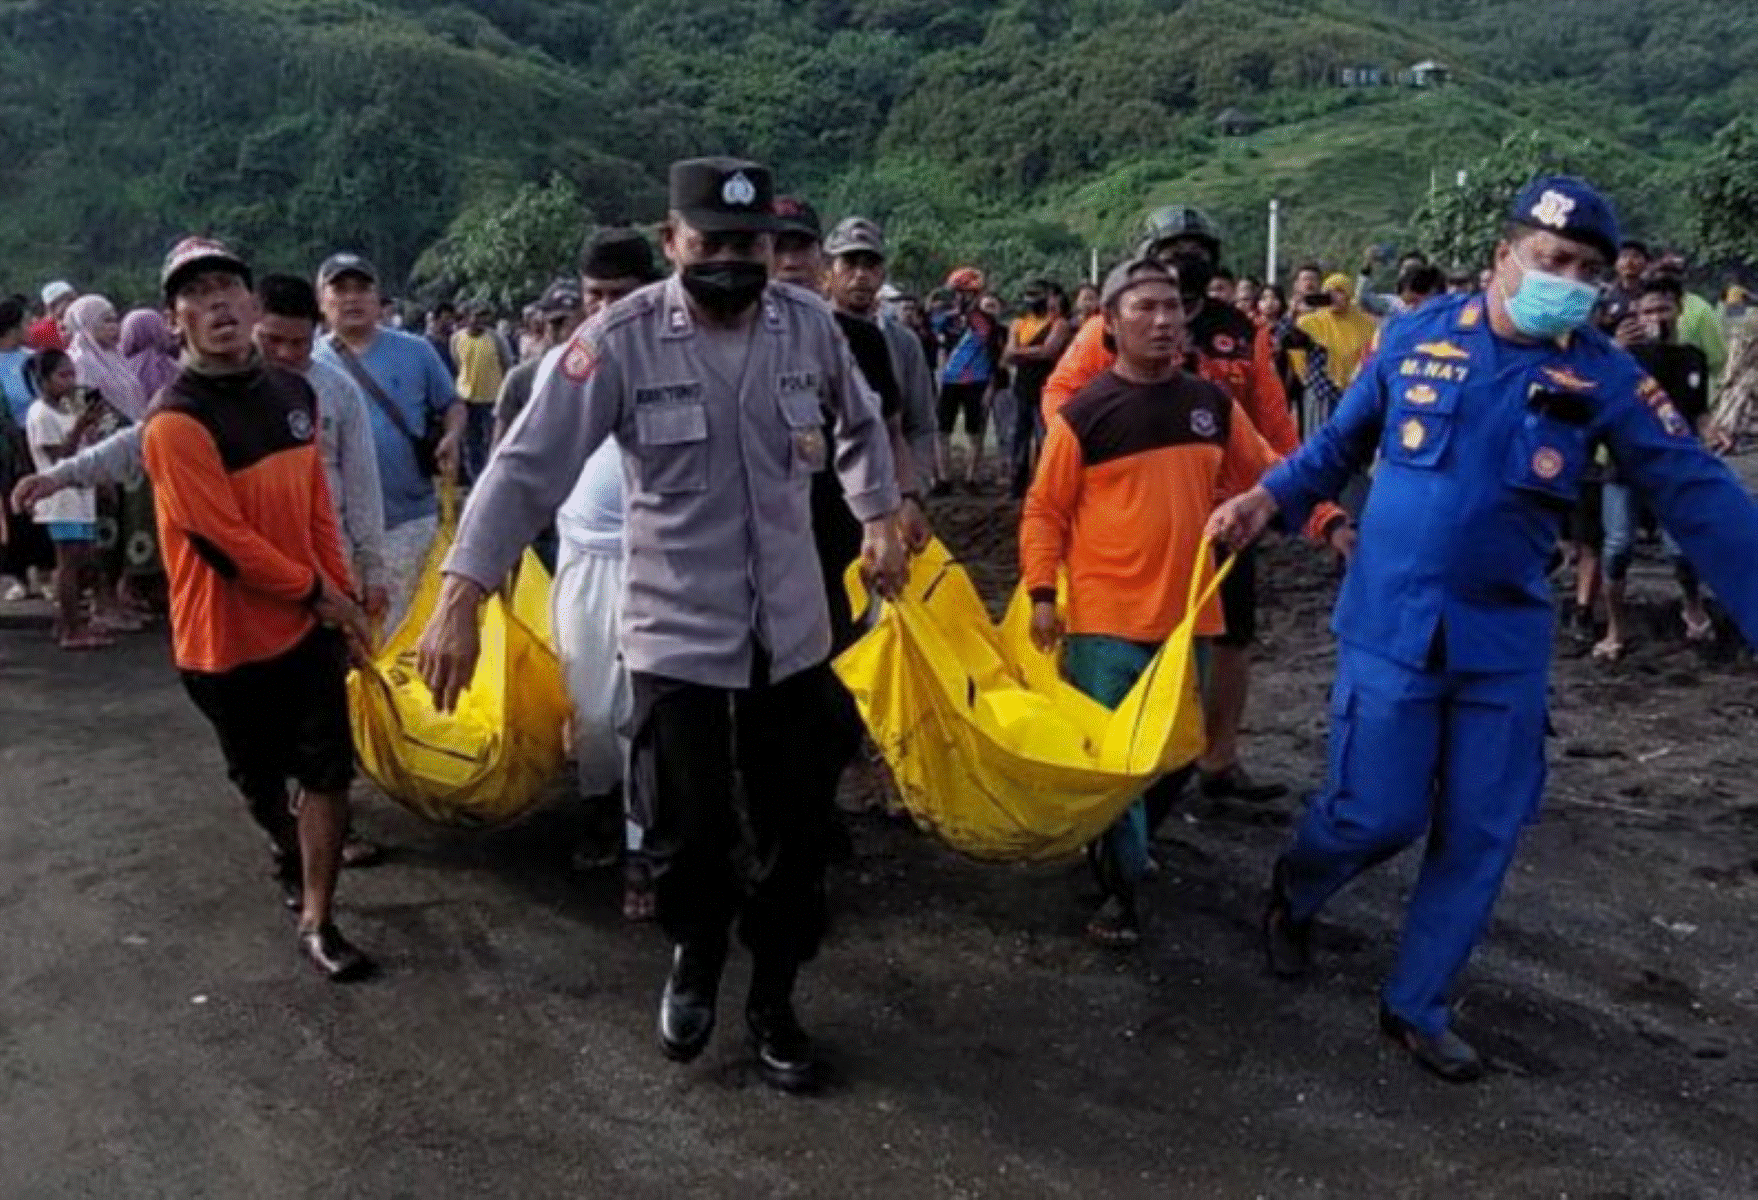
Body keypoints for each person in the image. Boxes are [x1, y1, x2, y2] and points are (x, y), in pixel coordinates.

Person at [1207, 176, 1758, 1082]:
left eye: (1586, 268)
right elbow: (1338, 447)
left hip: (1502, 644)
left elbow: (1695, 491)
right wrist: (1267, 498)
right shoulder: (1416, 338)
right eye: (1552, 261)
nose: (1570, 281)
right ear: (1505, 258)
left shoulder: (1605, 375)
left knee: (1480, 828)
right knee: (1373, 813)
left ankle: (1415, 1006)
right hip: (1391, 626)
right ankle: (1294, 894)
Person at [416, 157, 906, 1094]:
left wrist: (878, 513)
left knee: (796, 831)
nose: (734, 259)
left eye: (751, 244)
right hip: (678, 633)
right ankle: (694, 957)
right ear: (673, 240)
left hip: (793, 631)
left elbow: (861, 423)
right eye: (713, 243)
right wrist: (460, 597)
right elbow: (524, 468)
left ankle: (773, 996)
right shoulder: (620, 341)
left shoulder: (809, 325)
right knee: (687, 829)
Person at [1045, 205, 1354, 809]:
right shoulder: (1108, 330)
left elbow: (1275, 435)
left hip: (1226, 521)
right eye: (1173, 246)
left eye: (1197, 246)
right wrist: (1097, 454)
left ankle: (1217, 757)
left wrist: (1314, 511)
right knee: (1122, 642)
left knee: (1230, 638)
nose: (1186, 259)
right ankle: (1115, 772)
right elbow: (1061, 396)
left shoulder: (1242, 331)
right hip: (1132, 516)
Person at [1024, 257, 1282, 946]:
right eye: (1146, 309)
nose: (1166, 320)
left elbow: (1266, 476)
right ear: (1109, 324)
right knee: (1119, 763)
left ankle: (1122, 853)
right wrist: (1043, 594)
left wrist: (1308, 517)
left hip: (1190, 616)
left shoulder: (1211, 405)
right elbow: (1044, 512)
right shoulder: (1083, 416)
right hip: (1105, 617)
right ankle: (1120, 894)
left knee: (1172, 757)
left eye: (1173, 307)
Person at [140, 238, 377, 980]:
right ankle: (283, 843)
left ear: (251, 305)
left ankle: (318, 917)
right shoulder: (174, 421)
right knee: (259, 782)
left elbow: (315, 513)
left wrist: (341, 603)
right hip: (222, 643)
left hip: (305, 633)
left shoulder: (295, 395)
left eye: (226, 289)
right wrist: (323, 595)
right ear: (175, 320)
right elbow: (225, 544)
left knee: (329, 772)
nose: (215, 304)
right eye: (195, 295)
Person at [539, 227, 663, 917]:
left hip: (661, 563)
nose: (608, 310)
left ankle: (643, 846)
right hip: (583, 558)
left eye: (623, 296)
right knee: (589, 705)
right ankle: (597, 805)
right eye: (596, 296)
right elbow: (517, 464)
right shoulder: (561, 367)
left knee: (642, 711)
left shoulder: (684, 358)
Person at [314, 252, 463, 632]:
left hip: (410, 520)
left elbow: (451, 403)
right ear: (321, 301)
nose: (352, 299)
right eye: (340, 290)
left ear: (379, 299)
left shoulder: (416, 350)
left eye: (362, 289)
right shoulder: (308, 364)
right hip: (338, 531)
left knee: (415, 632)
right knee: (358, 640)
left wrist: (453, 436)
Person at [1596, 274, 1716, 658]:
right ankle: (1615, 627)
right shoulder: (1619, 360)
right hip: (1624, 466)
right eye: (1647, 310)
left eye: (1663, 308)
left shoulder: (1692, 359)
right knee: (1617, 547)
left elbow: (1699, 415)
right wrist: (1615, 351)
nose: (1655, 317)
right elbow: (1593, 395)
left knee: (1681, 549)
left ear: (1680, 310)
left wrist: (1713, 437)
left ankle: (1694, 609)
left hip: (1674, 468)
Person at [824, 217, 939, 498]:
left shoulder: (903, 343)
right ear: (828, 272)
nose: (860, 275)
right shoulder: (806, 335)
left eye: (870, 265)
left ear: (882, 274)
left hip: (884, 490)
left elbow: (920, 426)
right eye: (849, 263)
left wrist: (913, 491)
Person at [24, 350, 109, 649]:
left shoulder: (70, 407)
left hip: (80, 494)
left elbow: (90, 447)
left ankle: (69, 621)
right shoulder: (40, 413)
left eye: (73, 375)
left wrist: (93, 429)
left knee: (84, 558)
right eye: (63, 376)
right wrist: (80, 427)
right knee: (69, 562)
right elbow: (59, 457)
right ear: (43, 380)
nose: (71, 382)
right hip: (59, 497)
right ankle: (72, 628)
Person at [0, 297, 54, 600]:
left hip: (36, 438)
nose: (30, 327)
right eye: (24, 322)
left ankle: (46, 571)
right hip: (8, 448)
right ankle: (18, 575)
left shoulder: (32, 359)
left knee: (42, 503)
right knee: (14, 509)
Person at [1001, 277, 1072, 498]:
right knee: (1018, 438)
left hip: (1047, 387)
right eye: (1029, 295)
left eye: (1038, 295)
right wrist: (1032, 352)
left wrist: (1020, 352)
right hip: (1023, 388)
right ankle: (1017, 485)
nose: (1033, 300)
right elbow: (1007, 355)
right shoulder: (1019, 323)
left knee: (1045, 439)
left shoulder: (1060, 323)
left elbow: (1048, 352)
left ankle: (1044, 486)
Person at [935, 266, 1003, 492]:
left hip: (976, 381)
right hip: (949, 381)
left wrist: (991, 386)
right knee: (942, 430)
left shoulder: (988, 322)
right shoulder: (945, 319)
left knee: (975, 432)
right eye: (956, 292)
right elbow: (939, 346)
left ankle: (971, 478)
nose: (960, 297)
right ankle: (944, 479)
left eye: (964, 292)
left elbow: (995, 356)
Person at [452, 301, 506, 484]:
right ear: (465, 318)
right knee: (470, 443)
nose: (475, 320)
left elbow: (506, 364)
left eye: (479, 316)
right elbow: (458, 364)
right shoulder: (457, 339)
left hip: (492, 398)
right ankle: (476, 480)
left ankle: (493, 478)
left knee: (493, 440)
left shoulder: (495, 338)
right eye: (471, 316)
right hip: (467, 398)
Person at [1297, 272, 1379, 391]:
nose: (1333, 296)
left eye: (1339, 291)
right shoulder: (1311, 322)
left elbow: (1372, 356)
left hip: (1356, 388)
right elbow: (1297, 354)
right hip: (1321, 390)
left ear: (1349, 295)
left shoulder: (1365, 323)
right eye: (1329, 292)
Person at [28, 281, 76, 351]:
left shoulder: (84, 316)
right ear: (50, 307)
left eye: (73, 298)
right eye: (69, 299)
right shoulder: (38, 332)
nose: (72, 303)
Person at [425, 301, 458, 376]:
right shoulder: (427, 344)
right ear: (436, 320)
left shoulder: (453, 341)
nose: (450, 322)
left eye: (452, 319)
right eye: (446, 318)